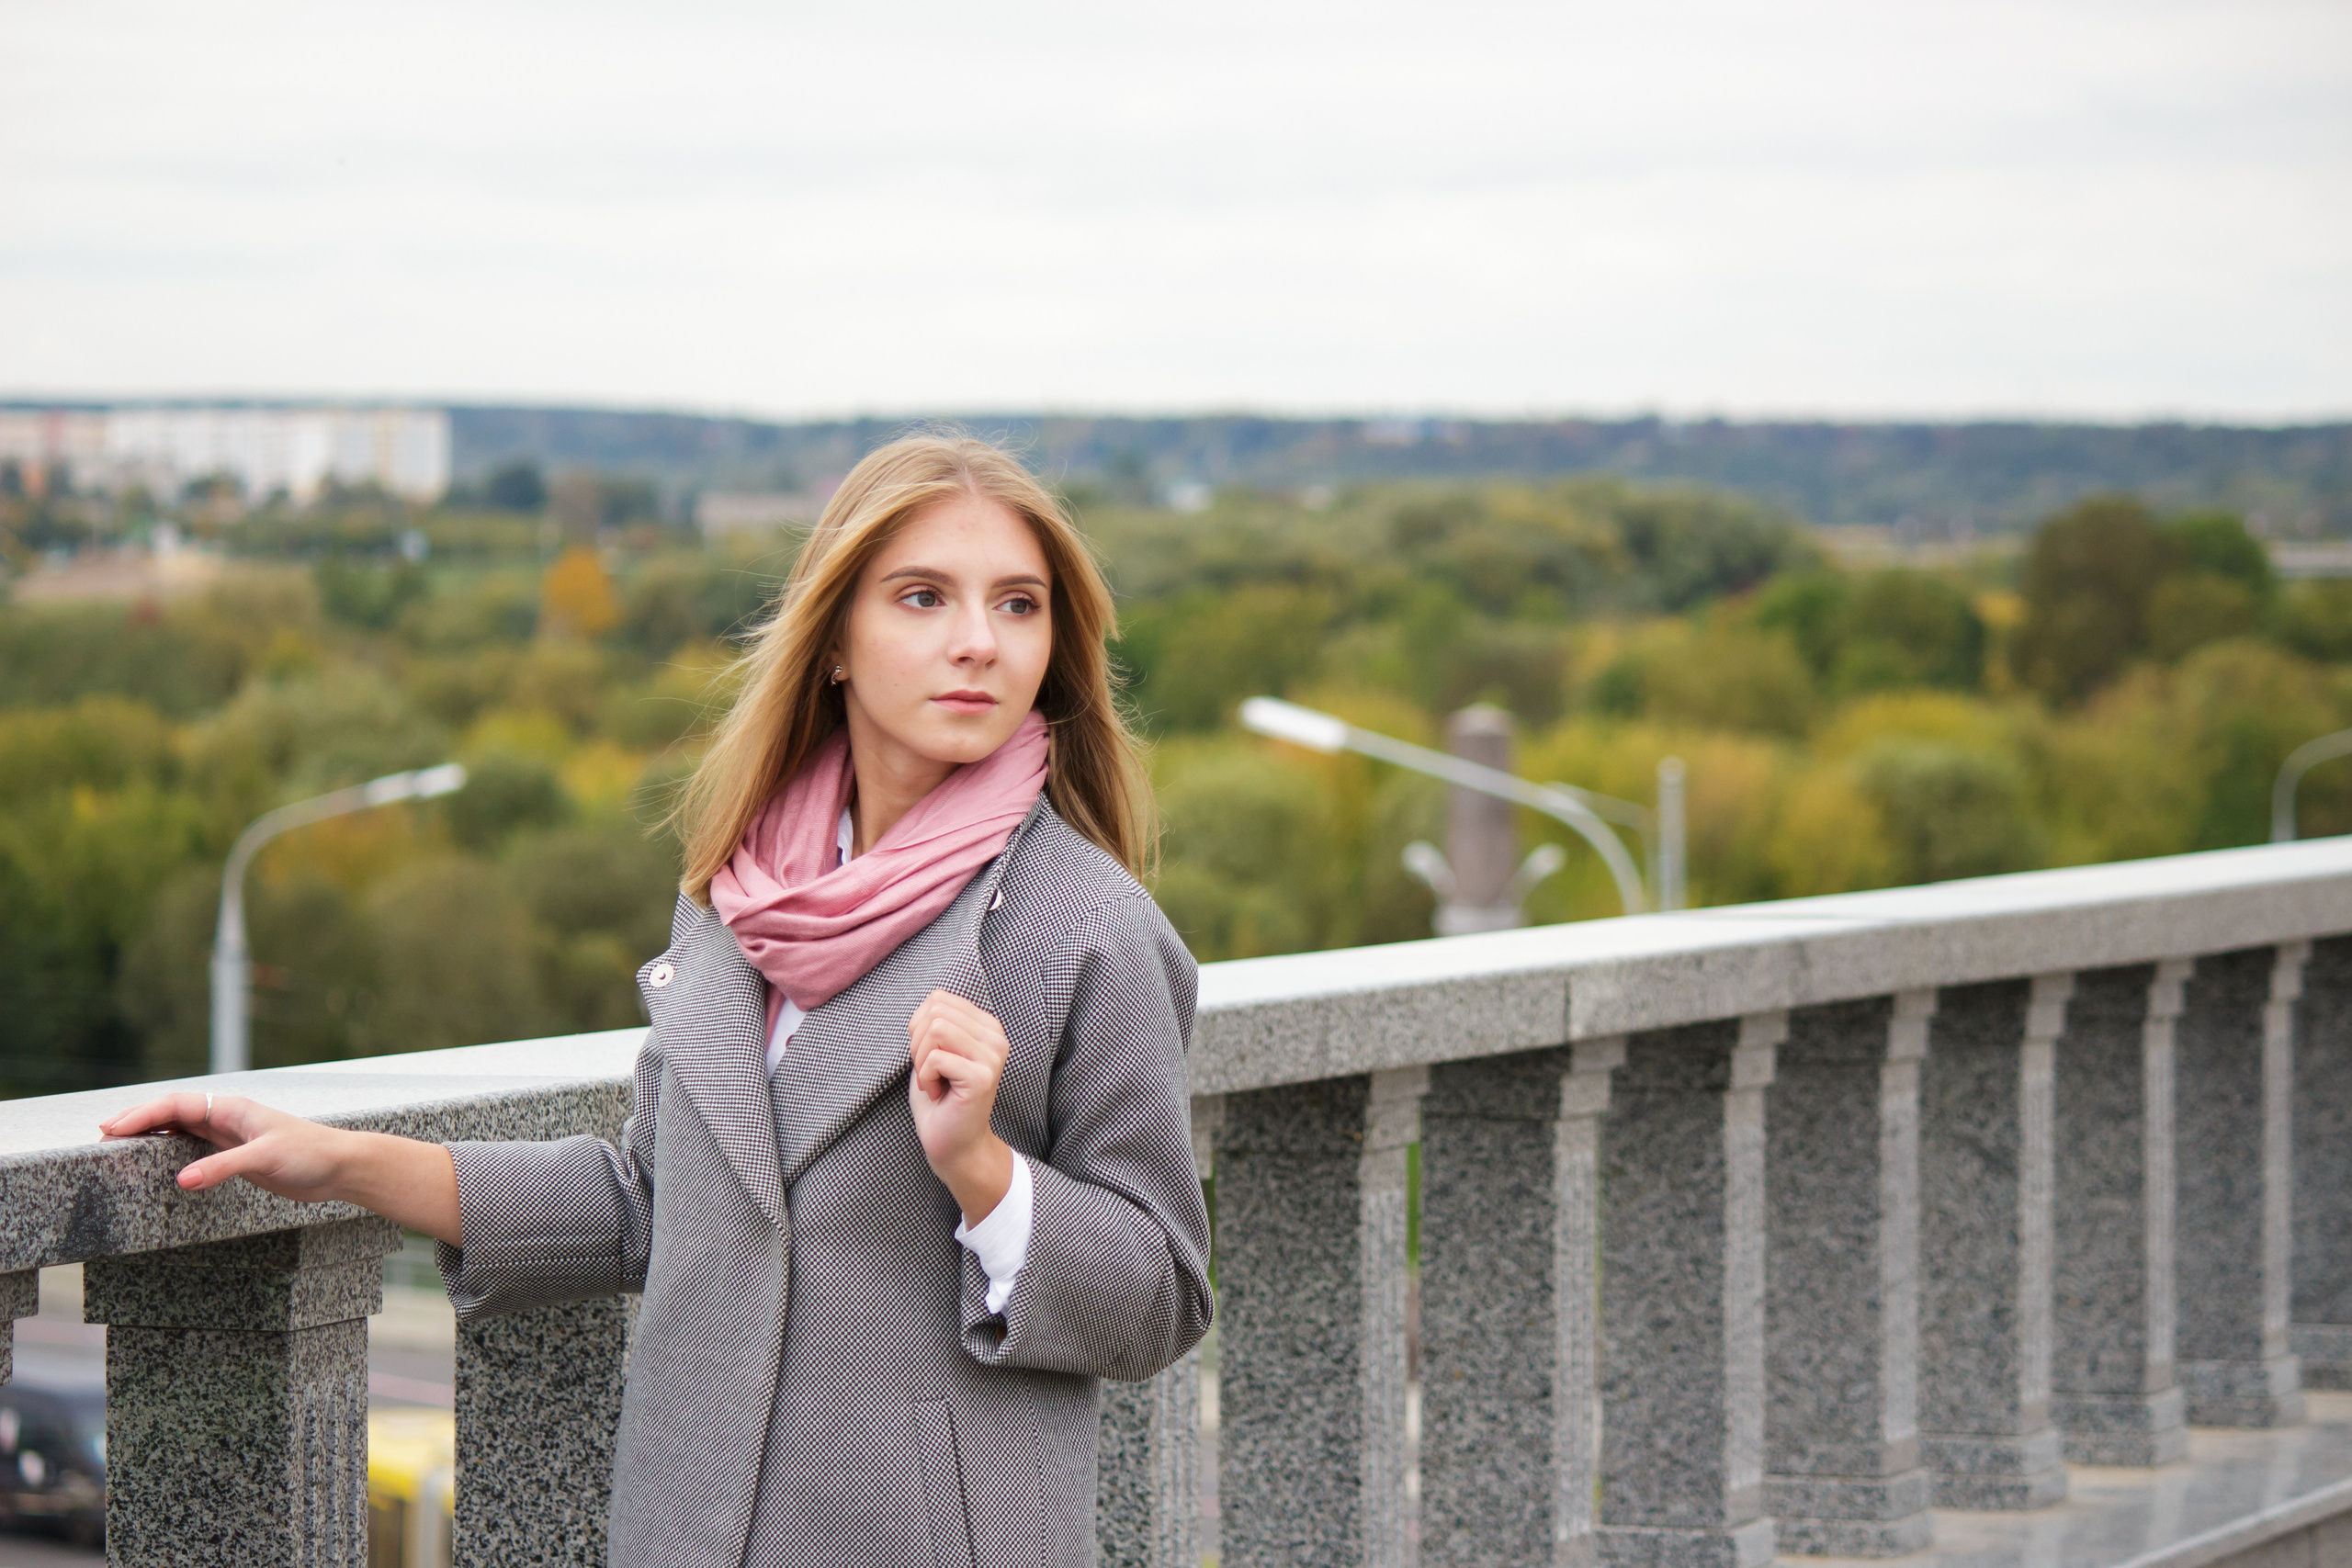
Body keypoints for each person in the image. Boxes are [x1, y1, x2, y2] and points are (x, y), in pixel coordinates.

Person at [100, 434, 1216, 1568]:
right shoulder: (742, 893)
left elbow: (1159, 1299)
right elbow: (653, 1200)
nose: (977, 642)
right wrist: (339, 1164)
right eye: (923, 597)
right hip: (688, 1525)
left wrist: (981, 1168)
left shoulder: (1085, 928)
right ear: (834, 640)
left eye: (1017, 605)